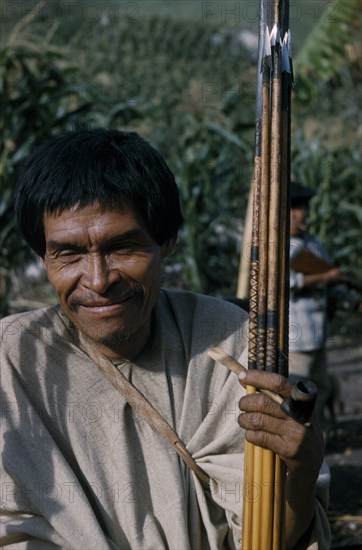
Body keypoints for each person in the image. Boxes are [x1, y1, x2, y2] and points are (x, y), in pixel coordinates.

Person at [1, 129, 330, 549]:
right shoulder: (13, 359)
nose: (98, 280)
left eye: (124, 247)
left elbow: (267, 538)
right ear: (43, 257)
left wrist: (300, 472)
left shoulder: (226, 338)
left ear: (167, 242)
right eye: (68, 254)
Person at [288, 182, 347, 424]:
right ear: (290, 212)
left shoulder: (312, 244)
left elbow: (334, 282)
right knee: (296, 394)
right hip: (296, 339)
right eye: (301, 208)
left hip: (317, 335)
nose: (306, 214)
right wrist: (324, 277)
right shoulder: (282, 246)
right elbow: (285, 282)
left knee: (319, 390)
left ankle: (316, 443)